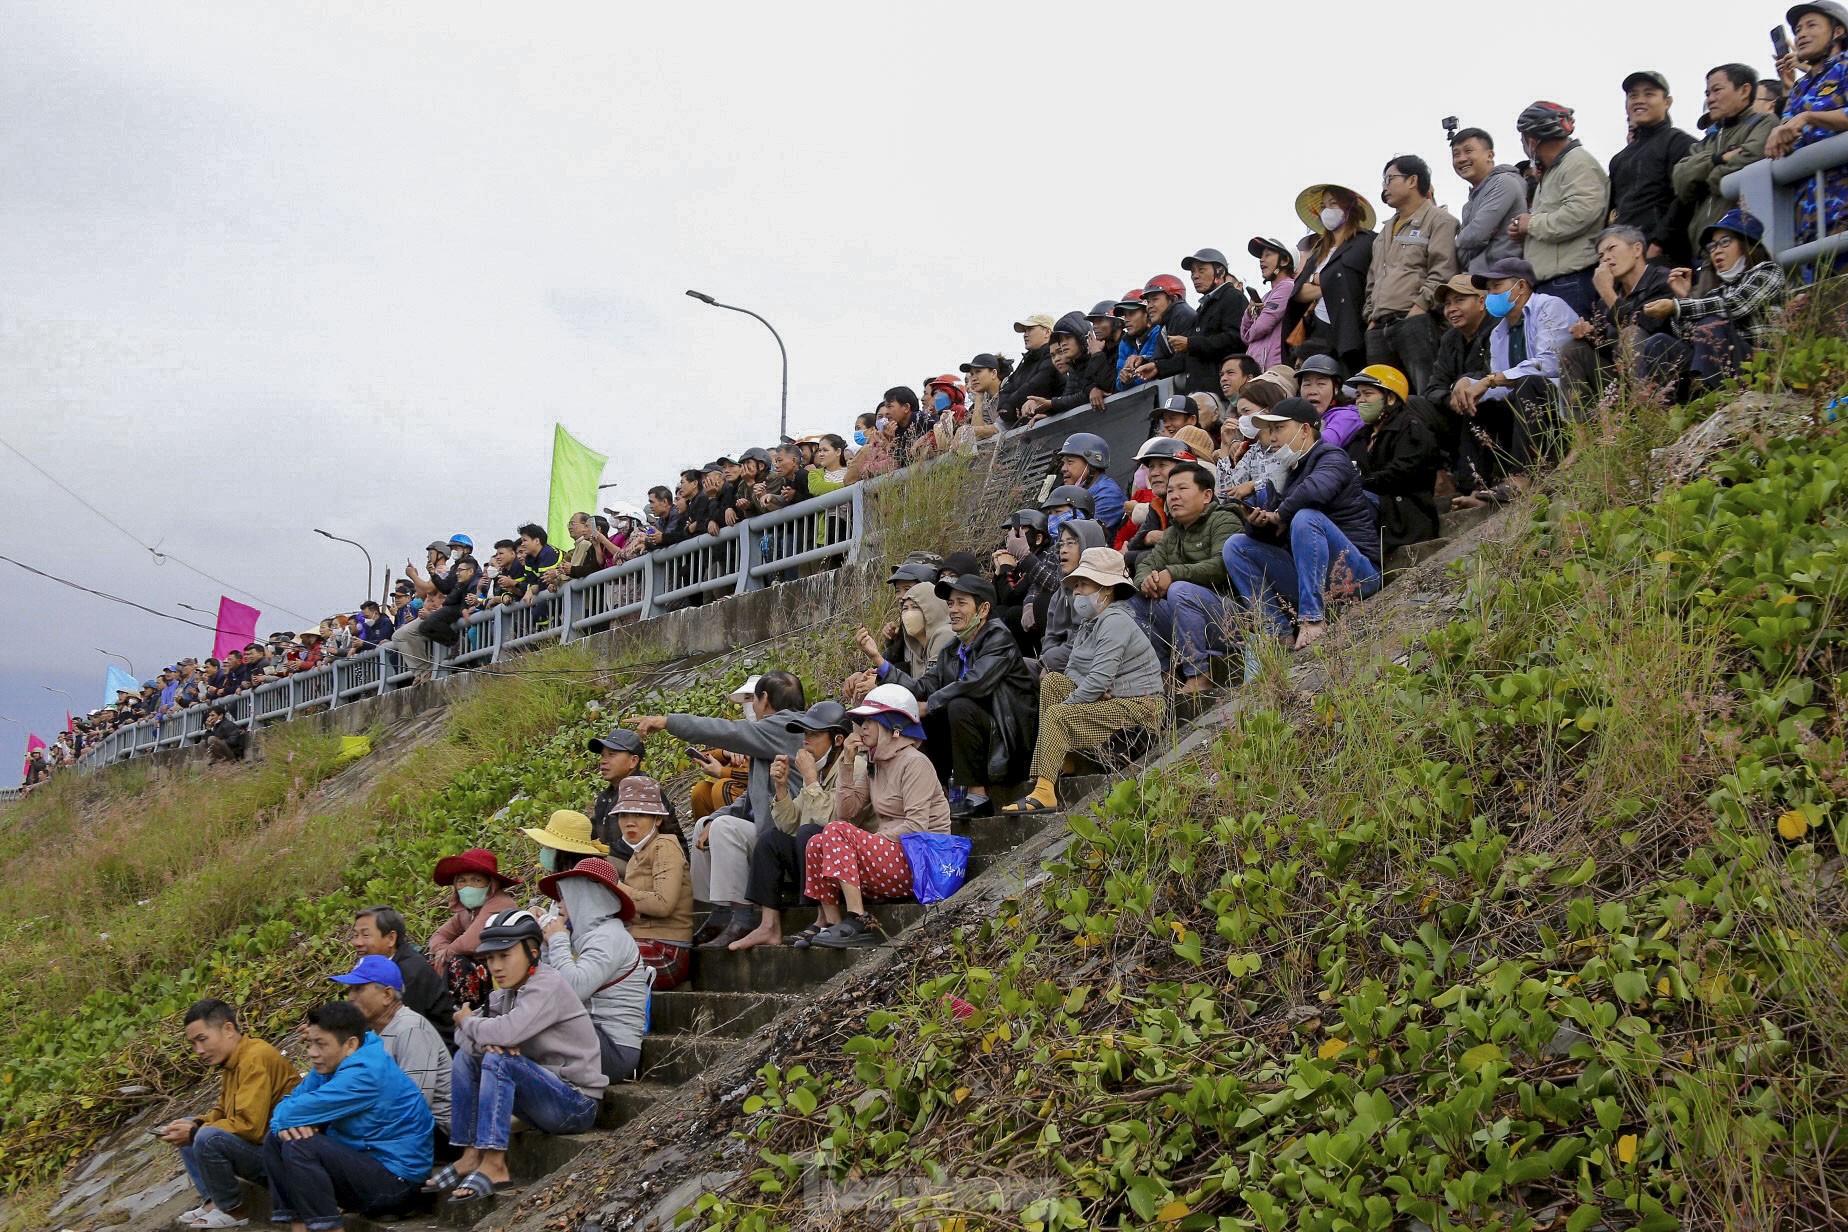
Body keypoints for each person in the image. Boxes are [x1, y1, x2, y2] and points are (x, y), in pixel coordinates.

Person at [435, 911, 606, 1203]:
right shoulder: (506, 995)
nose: (497, 967)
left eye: (505, 955)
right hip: (542, 1096)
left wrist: (472, 1025)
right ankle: (470, 1153)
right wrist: (489, 1039)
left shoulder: (546, 985)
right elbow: (466, 1041)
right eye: (490, 959)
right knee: (469, 1058)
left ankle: (495, 1164)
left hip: (576, 1103)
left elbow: (497, 1030)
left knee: (498, 1060)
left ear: (533, 952)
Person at [629, 671, 806, 950]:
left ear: (765, 699)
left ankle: (742, 916)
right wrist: (716, 816)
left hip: (788, 837)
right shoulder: (777, 732)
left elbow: (725, 730)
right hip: (774, 830)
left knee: (725, 829)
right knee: (705, 826)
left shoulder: (787, 727)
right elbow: (753, 796)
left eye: (753, 700)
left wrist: (667, 722)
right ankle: (719, 913)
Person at [1003, 549, 1165, 815]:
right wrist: (1092, 688)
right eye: (1076, 585)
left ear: (1107, 589)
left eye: (1084, 584)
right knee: (1054, 681)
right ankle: (1059, 763)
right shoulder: (1090, 624)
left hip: (1142, 707)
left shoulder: (1115, 621)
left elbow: (1098, 678)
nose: (1077, 591)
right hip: (1115, 701)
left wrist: (1083, 695)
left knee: (1058, 713)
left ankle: (1044, 790)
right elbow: (1073, 670)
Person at [1223, 397, 1383, 655]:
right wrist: (1259, 525)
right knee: (1236, 546)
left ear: (1305, 429)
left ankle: (1312, 619)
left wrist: (1279, 514)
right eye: (1270, 430)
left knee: (1306, 516)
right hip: (1320, 580)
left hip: (1359, 574)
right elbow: (1275, 533)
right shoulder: (1289, 471)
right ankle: (1278, 634)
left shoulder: (1332, 455)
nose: (1271, 437)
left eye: (1279, 428)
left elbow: (1316, 490)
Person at [799, 685, 952, 948]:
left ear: (894, 726)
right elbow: (846, 813)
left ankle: (858, 918)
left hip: (921, 862)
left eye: (871, 720)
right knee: (817, 841)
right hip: (892, 855)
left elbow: (917, 826)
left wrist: (872, 841)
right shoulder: (876, 764)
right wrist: (847, 763)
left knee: (836, 831)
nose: (862, 727)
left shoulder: (915, 763)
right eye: (862, 721)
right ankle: (834, 924)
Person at [875, 574, 1036, 817]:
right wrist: (880, 663)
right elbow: (923, 687)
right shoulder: (952, 648)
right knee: (927, 710)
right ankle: (936, 792)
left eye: (961, 603)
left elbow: (975, 683)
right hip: (978, 737)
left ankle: (978, 795)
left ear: (983, 609)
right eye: (950, 604)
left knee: (955, 705)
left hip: (1007, 741)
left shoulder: (998, 637)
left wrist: (929, 705)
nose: (953, 610)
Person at [261, 1001, 433, 1226]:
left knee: (300, 1144)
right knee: (277, 1139)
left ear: (350, 1044)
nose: (312, 1053)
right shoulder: (330, 1064)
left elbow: (288, 1112)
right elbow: (289, 1106)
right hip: (365, 1165)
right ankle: (299, 1227)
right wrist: (286, 1122)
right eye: (310, 1044)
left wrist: (288, 1120)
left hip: (398, 1184)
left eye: (320, 1044)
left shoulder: (365, 1074)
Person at [158, 1000, 300, 1231]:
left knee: (205, 1137)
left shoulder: (255, 1058)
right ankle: (213, 1201)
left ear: (228, 1029)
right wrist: (194, 1125)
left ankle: (234, 1210)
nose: (199, 1051)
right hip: (261, 1149)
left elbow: (250, 1127)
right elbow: (221, 1112)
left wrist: (196, 1132)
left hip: (283, 1158)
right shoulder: (233, 1062)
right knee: (188, 1126)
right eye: (193, 1044)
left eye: (202, 1040)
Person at [1451, 258, 1581, 508]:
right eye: (1488, 289)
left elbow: (1550, 364)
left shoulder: (1550, 307)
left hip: (1561, 404)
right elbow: (1499, 386)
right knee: (1478, 403)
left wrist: (1489, 380)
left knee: (1527, 383)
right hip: (1526, 407)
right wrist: (1472, 385)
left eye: (1496, 287)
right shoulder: (1500, 331)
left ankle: (1523, 476)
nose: (1491, 295)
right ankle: (1480, 487)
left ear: (1520, 286)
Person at [735, 701, 853, 950]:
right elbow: (789, 824)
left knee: (811, 834)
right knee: (770, 840)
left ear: (838, 740)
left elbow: (830, 821)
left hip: (849, 866)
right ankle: (769, 925)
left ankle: (825, 918)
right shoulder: (820, 769)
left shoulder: (852, 766)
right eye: (805, 733)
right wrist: (781, 787)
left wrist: (809, 777)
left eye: (815, 734)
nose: (806, 740)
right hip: (823, 862)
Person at [1640, 209, 1788, 395]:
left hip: (1761, 367)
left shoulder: (1768, 272)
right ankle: (1660, 406)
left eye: (1725, 242)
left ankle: (1713, 396)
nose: (1717, 251)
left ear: (1748, 244)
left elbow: (1736, 305)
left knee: (1711, 323)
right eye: (1712, 246)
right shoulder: (1717, 292)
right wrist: (1683, 298)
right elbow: (1688, 337)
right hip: (1723, 367)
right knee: (1658, 343)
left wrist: (1676, 307)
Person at [1130, 461, 1243, 695]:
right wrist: (1146, 581)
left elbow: (1221, 565)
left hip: (1231, 618)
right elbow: (1147, 565)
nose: (1174, 496)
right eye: (1170, 491)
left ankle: (1199, 675)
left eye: (1182, 489)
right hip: (1189, 619)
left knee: (1180, 589)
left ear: (1207, 495)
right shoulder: (1173, 533)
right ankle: (1165, 676)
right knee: (1132, 601)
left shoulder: (1224, 520)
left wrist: (1173, 574)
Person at [537, 856, 650, 1085]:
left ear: (586, 898)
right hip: (591, 1038)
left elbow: (573, 989)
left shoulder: (609, 937)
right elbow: (549, 989)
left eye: (565, 897)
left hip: (614, 1049)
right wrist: (546, 946)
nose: (559, 905)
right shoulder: (587, 936)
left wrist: (558, 940)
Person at [1365, 155, 1459, 392]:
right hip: (1379, 328)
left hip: (1416, 322)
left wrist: (1418, 309)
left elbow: (1443, 271)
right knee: (1383, 401)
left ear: (1413, 180)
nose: (1385, 187)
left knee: (1426, 392)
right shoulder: (1384, 232)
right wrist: (1371, 317)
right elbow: (1372, 281)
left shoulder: (1440, 220)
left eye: (1390, 178)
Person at [1511, 102, 1609, 319]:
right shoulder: (1554, 169)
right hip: (1554, 283)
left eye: (1523, 139)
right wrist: (1524, 231)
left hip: (1570, 282)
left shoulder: (1577, 162)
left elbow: (1581, 213)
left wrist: (1532, 224)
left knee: (1566, 351)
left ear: (1532, 140)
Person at [1768, 2, 1848, 264]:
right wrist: (1779, 135)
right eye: (1798, 28)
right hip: (1807, 218)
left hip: (1843, 207)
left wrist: (1809, 117)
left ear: (1837, 31)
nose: (1800, 34)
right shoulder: (1800, 88)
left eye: (1811, 25)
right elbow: (1788, 136)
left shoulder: (1845, 67)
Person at [329, 955, 451, 1125]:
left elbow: (415, 1106)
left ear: (387, 995)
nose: (351, 997)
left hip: (431, 1133)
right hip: (393, 1128)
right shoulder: (372, 1033)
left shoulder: (411, 1029)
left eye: (359, 989)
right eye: (350, 989)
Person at [1673, 65, 1779, 254]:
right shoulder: (1708, 141)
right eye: (1708, 93)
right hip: (1705, 249)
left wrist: (1708, 179)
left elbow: (1751, 157)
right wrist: (1717, 159)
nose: (1710, 99)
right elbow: (1681, 180)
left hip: (1743, 245)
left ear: (1745, 90)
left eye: (1717, 90)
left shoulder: (1764, 122)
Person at [1343, 366, 1445, 553]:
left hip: (1405, 515)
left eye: (1368, 394)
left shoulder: (1411, 428)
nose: (1360, 400)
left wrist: (1361, 483)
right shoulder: (1361, 436)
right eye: (1358, 395)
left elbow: (1401, 472)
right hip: (1373, 508)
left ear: (1390, 398)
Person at [605, 776, 695, 987]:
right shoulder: (637, 853)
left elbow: (663, 904)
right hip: (641, 942)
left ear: (657, 819)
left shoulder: (664, 846)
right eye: (623, 815)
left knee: (599, 968)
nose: (629, 822)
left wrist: (617, 888)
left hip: (666, 950)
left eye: (639, 814)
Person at [1608, 72, 1697, 267]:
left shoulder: (1680, 142)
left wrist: (1658, 243)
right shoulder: (1619, 158)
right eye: (1633, 96)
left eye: (1649, 94)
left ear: (1667, 102)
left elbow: (1686, 198)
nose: (1640, 101)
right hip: (1624, 258)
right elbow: (1612, 212)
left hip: (1667, 257)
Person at [1573, 225, 1677, 384]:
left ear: (1637, 249)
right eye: (1601, 255)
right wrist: (1591, 336)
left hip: (1663, 370)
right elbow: (1608, 349)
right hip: (1620, 377)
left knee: (1631, 333)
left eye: (1611, 248)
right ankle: (1585, 409)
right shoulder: (1609, 294)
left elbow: (1644, 326)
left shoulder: (1664, 280)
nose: (1606, 258)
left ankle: (1648, 405)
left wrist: (1607, 293)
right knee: (1573, 348)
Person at [1291, 183, 1377, 373]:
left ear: (1349, 208)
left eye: (1333, 204)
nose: (1327, 210)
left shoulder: (1367, 242)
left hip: (1353, 328)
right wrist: (1327, 281)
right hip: (1319, 329)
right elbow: (1299, 292)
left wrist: (1324, 282)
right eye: (1323, 206)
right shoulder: (1319, 252)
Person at [426, 848, 522, 1010]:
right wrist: (441, 951)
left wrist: (446, 954)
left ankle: (469, 1013)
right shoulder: (467, 911)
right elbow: (439, 935)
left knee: (458, 964)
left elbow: (469, 942)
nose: (467, 886)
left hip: (502, 973)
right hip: (486, 972)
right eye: (462, 881)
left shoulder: (500, 904)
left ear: (491, 884)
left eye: (476, 880)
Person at [351, 905, 457, 1050]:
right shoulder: (376, 967)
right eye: (356, 935)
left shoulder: (409, 972)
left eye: (366, 935)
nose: (357, 942)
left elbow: (399, 1028)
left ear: (391, 938)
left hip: (430, 1053)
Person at [1163, 249, 1250, 393]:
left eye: (1201, 270)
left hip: (1220, 393)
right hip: (1201, 393)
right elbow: (1188, 357)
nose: (1195, 276)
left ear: (1220, 272)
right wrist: (1156, 367)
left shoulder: (1233, 297)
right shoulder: (1203, 307)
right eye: (1192, 272)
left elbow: (1236, 338)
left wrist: (1191, 343)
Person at [1424, 274, 1497, 441]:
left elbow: (1495, 374)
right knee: (1415, 405)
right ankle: (1440, 465)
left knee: (1475, 400)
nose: (1451, 309)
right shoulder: (1449, 338)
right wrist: (1450, 399)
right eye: (1447, 304)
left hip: (1489, 408)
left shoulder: (1498, 328)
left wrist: (1466, 382)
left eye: (1459, 300)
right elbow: (1432, 388)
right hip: (1455, 410)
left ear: (1481, 302)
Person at [1450, 127, 1528, 274]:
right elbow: (1463, 254)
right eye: (1456, 154)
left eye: (1468, 151)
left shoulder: (1504, 182)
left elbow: (1477, 233)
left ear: (1489, 155)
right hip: (1480, 282)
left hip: (1507, 280)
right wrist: (1465, 240)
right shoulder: (1468, 205)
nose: (1461, 159)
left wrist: (1461, 239)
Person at [1040, 517, 1113, 672]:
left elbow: (1091, 640)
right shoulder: (1059, 594)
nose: (1063, 550)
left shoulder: (1104, 588)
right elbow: (1050, 637)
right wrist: (1045, 663)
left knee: (1052, 659)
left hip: (1091, 662)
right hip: (1057, 659)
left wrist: (1049, 661)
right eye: (1061, 544)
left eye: (1071, 543)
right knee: (1015, 667)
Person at [1054, 433, 1126, 533]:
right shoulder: (1076, 495)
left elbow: (1085, 536)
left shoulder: (1108, 494)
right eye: (1063, 463)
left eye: (1070, 462)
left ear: (1091, 463)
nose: (1063, 469)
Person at [1243, 238, 1298, 369]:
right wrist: (1249, 312)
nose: (1261, 260)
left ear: (1284, 260)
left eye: (1268, 255)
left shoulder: (1288, 286)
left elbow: (1262, 326)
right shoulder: (1267, 296)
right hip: (1260, 370)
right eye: (1261, 256)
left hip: (1275, 370)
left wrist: (1251, 331)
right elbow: (1244, 335)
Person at [997, 314, 1062, 425]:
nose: (1025, 335)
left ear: (1047, 332)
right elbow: (1006, 390)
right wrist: (1008, 409)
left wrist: (1011, 405)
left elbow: (1036, 385)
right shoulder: (1025, 361)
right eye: (1025, 331)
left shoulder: (1054, 358)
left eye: (1030, 329)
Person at [1297, 353, 1364, 449]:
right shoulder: (1299, 416)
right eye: (1307, 384)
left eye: (1321, 384)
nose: (1312, 391)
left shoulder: (1348, 416)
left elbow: (1324, 443)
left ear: (1336, 389)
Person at [521, 808, 610, 878]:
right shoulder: (586, 874)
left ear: (564, 853)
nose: (544, 850)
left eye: (549, 847)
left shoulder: (581, 882)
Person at [1114, 293, 1161, 389]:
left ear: (1147, 314)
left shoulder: (1158, 333)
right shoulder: (1124, 343)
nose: (1126, 320)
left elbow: (1153, 371)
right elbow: (1119, 384)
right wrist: (1124, 380)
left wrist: (1132, 379)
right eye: (1125, 315)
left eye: (1131, 313)